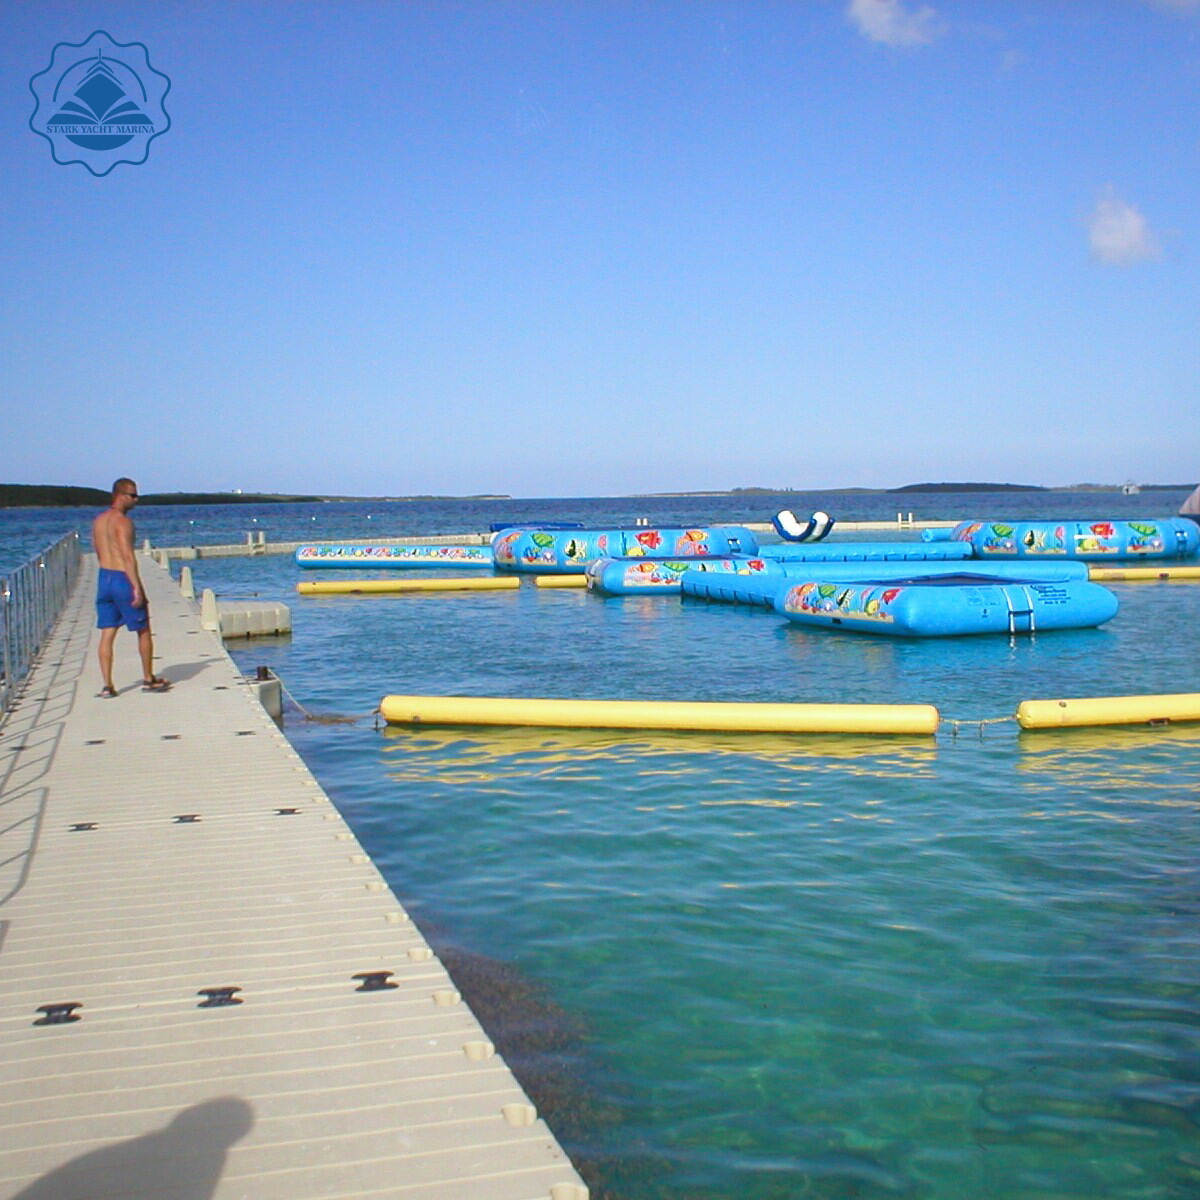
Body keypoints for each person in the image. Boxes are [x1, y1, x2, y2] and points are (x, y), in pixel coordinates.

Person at [92, 478, 170, 695]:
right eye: (133, 495)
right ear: (120, 495)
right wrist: (137, 587)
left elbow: (98, 551)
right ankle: (148, 679)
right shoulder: (123, 522)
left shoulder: (99, 521)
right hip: (121, 578)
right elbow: (128, 556)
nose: (136, 500)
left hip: (104, 577)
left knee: (107, 633)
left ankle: (108, 686)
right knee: (143, 630)